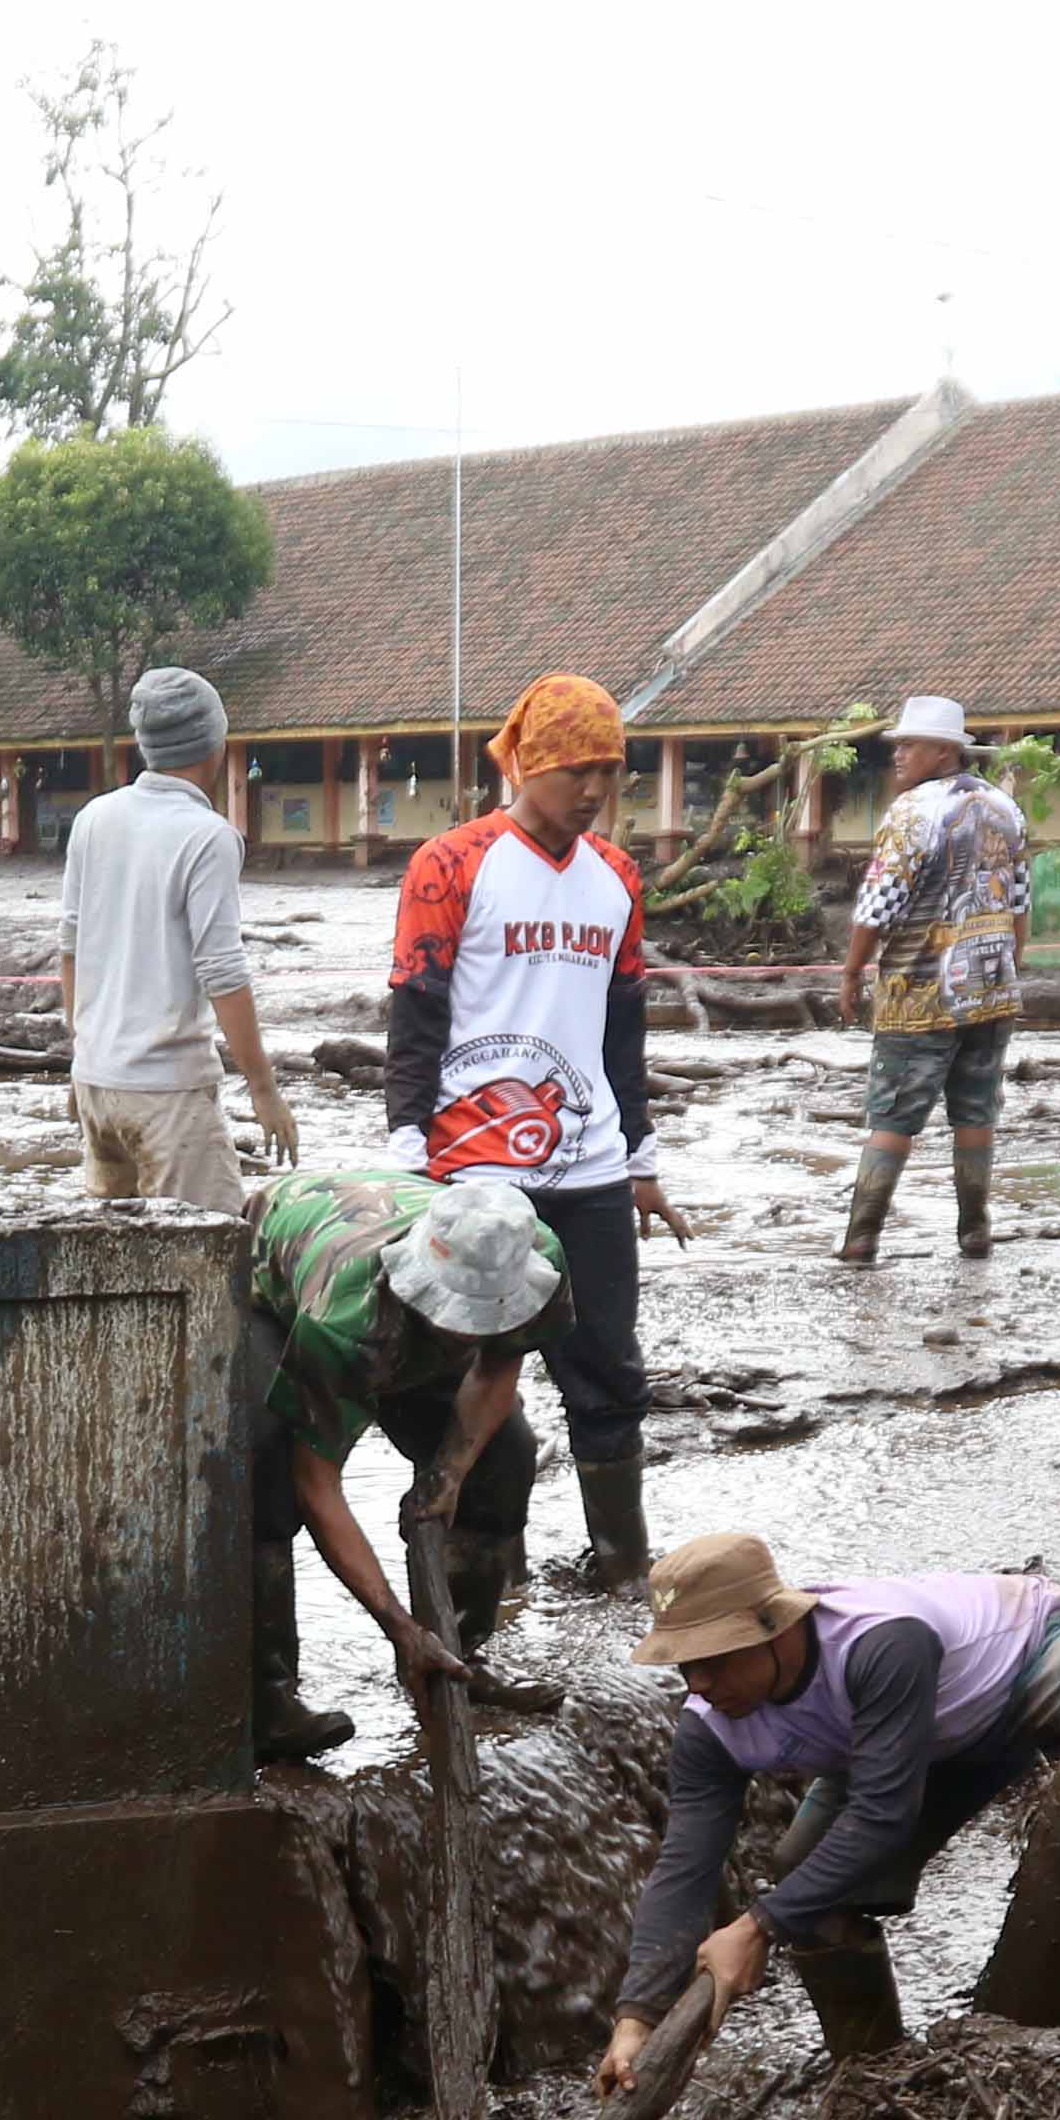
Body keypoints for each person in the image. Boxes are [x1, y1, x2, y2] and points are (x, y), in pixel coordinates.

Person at [390, 673, 691, 1589]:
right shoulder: (451, 863)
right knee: (476, 1371)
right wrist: (408, 1148)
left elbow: (623, 1026)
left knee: (607, 1369)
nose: (593, 792)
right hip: (477, 1165)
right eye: (573, 771)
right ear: (522, 764)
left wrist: (639, 1157)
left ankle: (621, 1563)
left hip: (591, 1164)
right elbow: (416, 1009)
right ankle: (491, 1562)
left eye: (608, 772)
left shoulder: (618, 879)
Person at [599, 1531, 1060, 2070]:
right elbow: (685, 1864)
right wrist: (637, 2018)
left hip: (1030, 1659)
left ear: (776, 1626)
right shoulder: (708, 1729)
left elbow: (881, 1814)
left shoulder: (879, 1644)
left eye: (715, 1660)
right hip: (921, 1742)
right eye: (684, 1666)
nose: (699, 1684)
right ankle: (872, 2065)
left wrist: (756, 1926)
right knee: (808, 1880)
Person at [243, 1168, 571, 1762]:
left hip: (385, 1280)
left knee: (504, 1458)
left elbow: (497, 1368)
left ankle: (459, 1658)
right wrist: (398, 1626)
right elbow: (317, 1484)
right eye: (458, 1314)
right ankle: (270, 1699)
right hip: (275, 1279)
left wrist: (446, 1477)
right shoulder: (344, 1317)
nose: (468, 1330)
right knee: (264, 1468)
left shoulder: (536, 1255)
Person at [60, 664, 306, 1207]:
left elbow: (71, 948)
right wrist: (264, 1093)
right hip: (165, 1094)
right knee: (208, 1261)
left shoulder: (94, 818)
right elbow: (222, 971)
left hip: (98, 1086)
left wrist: (82, 1060)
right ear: (215, 745)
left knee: (118, 1263)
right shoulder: (208, 836)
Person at [838, 693, 1033, 1263]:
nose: (897, 753)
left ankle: (862, 1236)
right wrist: (1010, 969)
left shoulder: (911, 812)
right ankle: (975, 1228)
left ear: (944, 751)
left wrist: (852, 972)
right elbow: (1019, 901)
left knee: (893, 1111)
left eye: (909, 744)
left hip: (918, 988)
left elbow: (878, 902)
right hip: (991, 987)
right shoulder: (1005, 807)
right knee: (976, 1110)